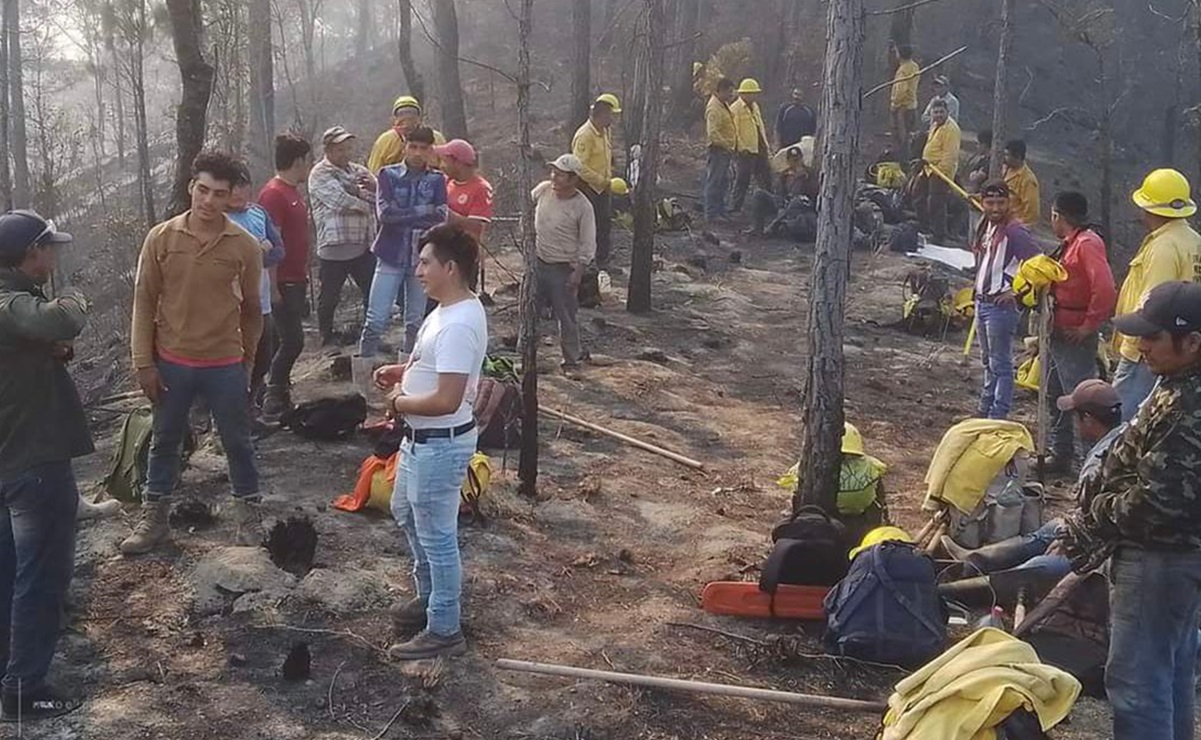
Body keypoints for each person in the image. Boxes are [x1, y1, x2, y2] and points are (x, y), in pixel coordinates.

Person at [1060, 281, 1201, 739]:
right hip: (1171, 557)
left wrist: (1097, 510)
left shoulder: (1186, 405)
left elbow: (1157, 503)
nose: (1140, 345)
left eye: (1153, 337)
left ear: (1192, 342)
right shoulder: (1176, 382)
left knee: (1138, 684)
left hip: (1159, 556)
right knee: (1170, 671)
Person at [122, 151, 264, 556]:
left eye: (219, 194)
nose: (208, 201)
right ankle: (155, 520)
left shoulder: (244, 246)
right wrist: (142, 362)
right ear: (191, 188)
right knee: (164, 439)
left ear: (230, 198)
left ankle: (249, 518)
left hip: (224, 361)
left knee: (237, 441)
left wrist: (248, 360)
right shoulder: (161, 238)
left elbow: (252, 310)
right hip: (172, 361)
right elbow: (144, 301)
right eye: (202, 190)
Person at [372, 223, 487, 660]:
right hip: (421, 440)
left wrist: (399, 402)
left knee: (438, 535)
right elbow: (437, 368)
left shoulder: (457, 323)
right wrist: (403, 371)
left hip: (439, 442)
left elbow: (446, 398)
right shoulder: (447, 309)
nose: (417, 270)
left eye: (425, 262)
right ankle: (430, 596)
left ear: (450, 267)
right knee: (404, 509)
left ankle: (443, 626)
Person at [0, 210, 89, 721]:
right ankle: (24, 688)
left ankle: (10, 672)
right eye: (48, 247)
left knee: (10, 571)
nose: (54, 255)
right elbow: (61, 318)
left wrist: (47, 352)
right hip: (33, 459)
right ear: (30, 254)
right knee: (41, 576)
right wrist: (74, 298)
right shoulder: (13, 301)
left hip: (12, 458)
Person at [942, 378, 1123, 570]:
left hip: (1110, 551)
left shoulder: (1099, 462)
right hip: (1104, 533)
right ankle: (974, 560)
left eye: (1076, 416)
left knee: (1041, 567)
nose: (1075, 423)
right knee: (1053, 528)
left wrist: (1070, 542)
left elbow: (1103, 523)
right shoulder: (1124, 436)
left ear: (1088, 419)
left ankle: (988, 582)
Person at [1111, 169, 1201, 421]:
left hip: (1148, 352)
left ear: (1149, 208)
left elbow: (1153, 307)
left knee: (1120, 421)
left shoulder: (1163, 246)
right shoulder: (1192, 240)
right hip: (1178, 347)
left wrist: (1134, 347)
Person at [359, 126, 447, 359]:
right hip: (390, 254)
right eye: (413, 147)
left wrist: (406, 213)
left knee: (415, 322)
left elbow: (440, 215)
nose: (418, 153)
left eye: (424, 148)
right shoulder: (388, 175)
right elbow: (385, 215)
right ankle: (363, 376)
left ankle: (407, 374)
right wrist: (422, 211)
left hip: (421, 257)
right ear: (405, 147)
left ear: (431, 150)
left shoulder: (437, 179)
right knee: (376, 319)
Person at [1044, 192, 1116, 473]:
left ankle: (1094, 464)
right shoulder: (1068, 244)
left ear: (1058, 216)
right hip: (1058, 331)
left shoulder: (1088, 244)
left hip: (1075, 335)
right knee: (1055, 395)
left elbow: (1105, 288)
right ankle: (1060, 453)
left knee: (1084, 401)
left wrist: (1088, 325)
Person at [257, 133, 313, 421]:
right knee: (293, 341)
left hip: (297, 276)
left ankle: (275, 393)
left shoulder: (293, 192)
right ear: (298, 161)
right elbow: (270, 240)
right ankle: (272, 394)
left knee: (281, 341)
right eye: (306, 161)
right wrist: (273, 284)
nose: (308, 167)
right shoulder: (273, 194)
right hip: (282, 280)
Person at [972, 180, 1038, 420]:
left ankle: (998, 414)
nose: (996, 208)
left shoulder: (1014, 230)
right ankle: (985, 406)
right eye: (990, 203)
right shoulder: (985, 225)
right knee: (987, 360)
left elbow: (1037, 264)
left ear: (1009, 202)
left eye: (1001, 203)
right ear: (982, 203)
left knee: (1000, 363)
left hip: (1001, 307)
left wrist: (1017, 292)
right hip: (982, 301)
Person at [309, 126, 376, 349]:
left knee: (372, 291)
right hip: (333, 247)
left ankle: (371, 336)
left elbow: (376, 194)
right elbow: (338, 201)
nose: (345, 153)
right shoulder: (319, 173)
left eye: (348, 148)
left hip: (362, 245)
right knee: (329, 296)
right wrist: (361, 202)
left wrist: (363, 195)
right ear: (328, 149)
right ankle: (326, 337)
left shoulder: (359, 170)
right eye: (339, 149)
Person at [226, 163, 285, 416]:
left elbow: (279, 250)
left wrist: (263, 254)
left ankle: (251, 410)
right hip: (232, 307)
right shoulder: (220, 220)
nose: (237, 193)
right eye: (231, 188)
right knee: (236, 363)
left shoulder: (258, 213)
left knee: (264, 356)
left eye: (242, 186)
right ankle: (229, 418)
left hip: (261, 303)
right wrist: (257, 251)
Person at [532, 154, 596, 368]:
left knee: (566, 316)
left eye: (560, 175)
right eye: (553, 173)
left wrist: (578, 273)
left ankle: (571, 360)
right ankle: (528, 357)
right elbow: (527, 201)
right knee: (531, 312)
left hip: (563, 268)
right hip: (538, 263)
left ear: (573, 180)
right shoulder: (543, 190)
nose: (554, 178)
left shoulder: (583, 207)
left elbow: (588, 243)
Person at [435, 139, 494, 286]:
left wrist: (445, 213)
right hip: (441, 252)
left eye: (446, 161)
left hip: (463, 255)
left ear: (458, 163)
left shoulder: (480, 188)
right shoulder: (447, 182)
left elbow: (475, 225)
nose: (443, 165)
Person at [571, 93, 619, 268]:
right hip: (588, 188)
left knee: (604, 225)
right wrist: (600, 180)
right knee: (587, 228)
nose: (612, 118)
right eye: (610, 114)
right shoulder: (585, 135)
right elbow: (579, 166)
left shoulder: (605, 131)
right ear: (601, 114)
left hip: (603, 188)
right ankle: (586, 264)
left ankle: (602, 262)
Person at [917, 98, 961, 243]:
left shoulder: (951, 129)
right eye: (935, 112)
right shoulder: (935, 125)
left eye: (941, 112)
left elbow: (950, 155)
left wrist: (940, 173)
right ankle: (924, 228)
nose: (938, 115)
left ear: (947, 112)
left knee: (936, 203)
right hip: (927, 168)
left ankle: (939, 235)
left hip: (941, 172)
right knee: (919, 196)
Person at [367, 96, 446, 174]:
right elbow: (374, 171)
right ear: (394, 118)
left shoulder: (435, 138)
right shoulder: (385, 141)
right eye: (402, 113)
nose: (407, 118)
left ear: (419, 117)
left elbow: (446, 167)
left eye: (411, 112)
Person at [730, 78, 772, 213]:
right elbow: (734, 131)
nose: (753, 96)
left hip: (759, 148)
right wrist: (741, 148)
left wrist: (765, 145)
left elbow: (760, 126)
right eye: (751, 93)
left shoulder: (755, 106)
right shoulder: (735, 108)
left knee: (765, 177)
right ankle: (735, 206)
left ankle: (768, 205)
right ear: (743, 94)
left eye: (755, 93)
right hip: (745, 151)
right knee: (743, 179)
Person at [703, 77, 738, 223]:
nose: (731, 95)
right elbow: (713, 133)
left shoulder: (723, 105)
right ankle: (711, 213)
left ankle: (720, 210)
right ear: (721, 91)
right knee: (715, 181)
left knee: (723, 181)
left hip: (725, 152)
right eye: (729, 92)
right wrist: (726, 145)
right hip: (718, 151)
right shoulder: (714, 108)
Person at [890, 45, 921, 158]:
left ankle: (902, 161)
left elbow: (901, 90)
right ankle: (909, 158)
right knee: (909, 136)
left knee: (900, 139)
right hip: (913, 106)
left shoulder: (902, 70)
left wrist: (895, 104)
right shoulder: (915, 66)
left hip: (903, 108)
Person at [1002, 140, 1040, 226]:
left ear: (1017, 156)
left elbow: (1032, 212)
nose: (1005, 157)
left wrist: (1019, 227)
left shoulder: (1028, 180)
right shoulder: (1005, 170)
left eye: (1007, 155)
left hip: (1013, 226)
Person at [963, 129, 992, 194]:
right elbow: (971, 176)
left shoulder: (991, 161)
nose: (977, 147)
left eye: (978, 144)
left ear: (984, 145)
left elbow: (979, 177)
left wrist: (977, 174)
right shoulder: (982, 160)